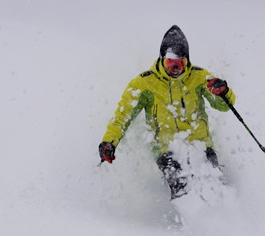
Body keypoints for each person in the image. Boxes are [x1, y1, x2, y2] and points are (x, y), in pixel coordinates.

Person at [98, 25, 235, 199]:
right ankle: (194, 219)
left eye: (180, 64)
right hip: (166, 149)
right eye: (171, 63)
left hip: (201, 145)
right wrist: (109, 142)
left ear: (187, 60)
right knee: (182, 187)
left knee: (215, 185)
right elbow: (122, 116)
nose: (175, 69)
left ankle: (227, 218)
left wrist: (223, 91)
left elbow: (223, 105)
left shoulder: (200, 77)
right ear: (162, 59)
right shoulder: (144, 83)